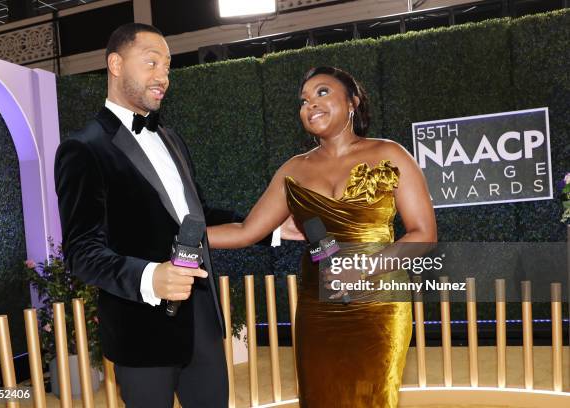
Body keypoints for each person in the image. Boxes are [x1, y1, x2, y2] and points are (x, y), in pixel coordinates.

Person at [54, 23, 287, 408]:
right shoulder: (82, 149)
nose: (163, 77)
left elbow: (196, 216)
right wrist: (150, 276)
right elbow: (82, 252)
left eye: (167, 66)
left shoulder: (171, 138)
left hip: (202, 324)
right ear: (115, 64)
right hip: (141, 333)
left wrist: (272, 229)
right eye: (151, 63)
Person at [207, 66, 437, 407]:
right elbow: (246, 231)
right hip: (318, 311)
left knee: (371, 398)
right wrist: (177, 236)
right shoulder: (293, 170)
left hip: (378, 308)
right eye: (303, 100)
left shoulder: (390, 154)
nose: (310, 104)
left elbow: (424, 235)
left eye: (323, 92)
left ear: (353, 103)